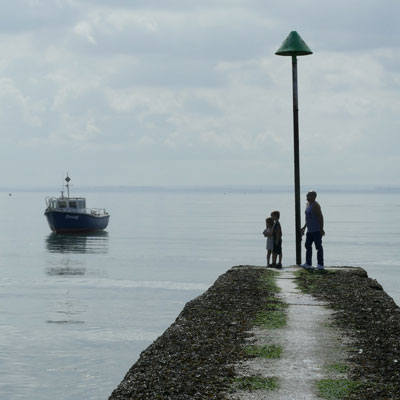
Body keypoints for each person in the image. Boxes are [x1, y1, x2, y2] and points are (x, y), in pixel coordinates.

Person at [301, 191, 325, 270]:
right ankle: (308, 263)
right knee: (307, 245)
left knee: (318, 247)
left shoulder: (316, 206)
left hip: (316, 230)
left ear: (313, 196)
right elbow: (308, 218)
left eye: (308, 196)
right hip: (309, 230)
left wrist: (321, 229)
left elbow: (320, 217)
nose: (306, 197)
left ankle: (320, 264)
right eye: (307, 195)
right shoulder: (308, 205)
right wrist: (304, 227)